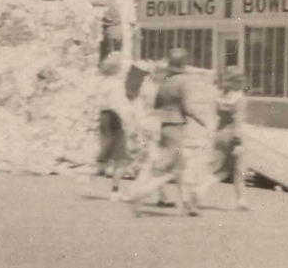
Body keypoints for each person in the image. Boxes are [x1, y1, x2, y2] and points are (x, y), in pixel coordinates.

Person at [128, 48, 208, 217]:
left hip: (164, 125)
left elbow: (157, 104)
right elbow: (188, 107)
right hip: (177, 126)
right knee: (172, 169)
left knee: (180, 167)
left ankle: (187, 205)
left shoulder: (165, 81)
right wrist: (201, 119)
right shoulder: (183, 81)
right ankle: (140, 194)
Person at [196, 67, 249, 210]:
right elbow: (238, 121)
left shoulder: (219, 97)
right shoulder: (240, 98)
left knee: (220, 168)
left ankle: (201, 190)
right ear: (239, 81)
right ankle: (240, 200)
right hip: (233, 135)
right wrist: (238, 142)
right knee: (238, 169)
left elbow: (213, 116)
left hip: (219, 134)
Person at [94, 52, 131, 201]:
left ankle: (99, 167)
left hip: (103, 116)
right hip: (114, 117)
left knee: (107, 150)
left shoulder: (101, 82)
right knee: (121, 158)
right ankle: (115, 190)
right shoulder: (116, 84)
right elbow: (118, 104)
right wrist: (128, 119)